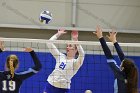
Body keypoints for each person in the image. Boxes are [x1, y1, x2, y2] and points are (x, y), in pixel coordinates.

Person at [93, 26, 138, 93]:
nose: (121, 62)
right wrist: (114, 41)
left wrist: (100, 37)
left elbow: (109, 56)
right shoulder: (131, 76)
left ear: (123, 68)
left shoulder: (120, 75)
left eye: (121, 63)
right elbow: (122, 57)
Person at [44, 29, 85, 93]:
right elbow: (49, 43)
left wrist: (76, 41)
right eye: (67, 46)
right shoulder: (60, 56)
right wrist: (58, 34)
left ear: (75, 50)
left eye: (70, 46)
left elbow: (82, 54)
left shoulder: (76, 63)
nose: (67, 47)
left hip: (63, 89)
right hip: (51, 85)